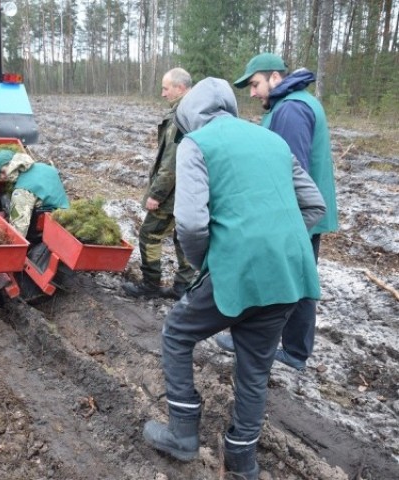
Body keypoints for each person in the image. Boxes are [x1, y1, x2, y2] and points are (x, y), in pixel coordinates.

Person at [141, 77, 326, 480]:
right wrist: (279, 244)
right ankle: (243, 460)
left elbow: (190, 224)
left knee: (176, 332)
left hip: (236, 268)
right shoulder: (272, 141)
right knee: (255, 368)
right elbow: (314, 205)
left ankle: (183, 434)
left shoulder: (196, 144)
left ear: (189, 115)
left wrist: (212, 261)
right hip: (289, 274)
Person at [214, 53, 339, 371]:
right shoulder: (294, 102)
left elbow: (289, 169)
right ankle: (288, 347)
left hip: (296, 214)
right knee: (295, 276)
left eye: (255, 84)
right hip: (302, 213)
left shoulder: (292, 110)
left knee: (290, 278)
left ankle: (290, 350)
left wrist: (275, 218)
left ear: (274, 77)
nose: (252, 93)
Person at [122, 67, 195, 300]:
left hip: (174, 193)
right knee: (183, 236)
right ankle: (184, 287)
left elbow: (172, 162)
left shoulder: (181, 117)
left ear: (180, 88)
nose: (163, 94)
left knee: (149, 235)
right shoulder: (197, 111)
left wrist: (156, 194)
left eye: (166, 88)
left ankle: (151, 285)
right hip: (193, 192)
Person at [0, 151, 69, 238]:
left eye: (2, 172)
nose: (2, 177)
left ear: (11, 164)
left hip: (45, 226)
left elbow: (19, 229)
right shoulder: (45, 167)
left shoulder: (22, 191)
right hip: (66, 215)